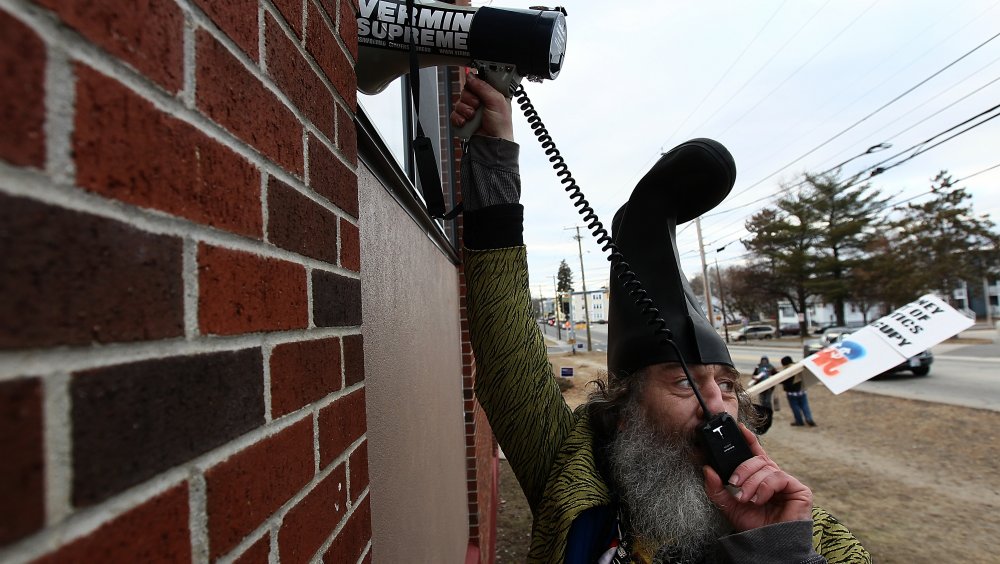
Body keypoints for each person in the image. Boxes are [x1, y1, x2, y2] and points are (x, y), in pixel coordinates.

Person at [452, 73, 869, 563]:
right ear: (626, 412)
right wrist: (495, 153)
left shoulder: (806, 532)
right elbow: (508, 358)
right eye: (683, 383)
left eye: (727, 384)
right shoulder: (570, 473)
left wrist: (778, 551)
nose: (717, 405)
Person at [781, 355, 817, 427]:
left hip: (791, 393)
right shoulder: (797, 367)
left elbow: (783, 381)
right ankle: (809, 419)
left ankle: (799, 421)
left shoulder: (786, 371)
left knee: (795, 407)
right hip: (802, 391)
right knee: (805, 406)